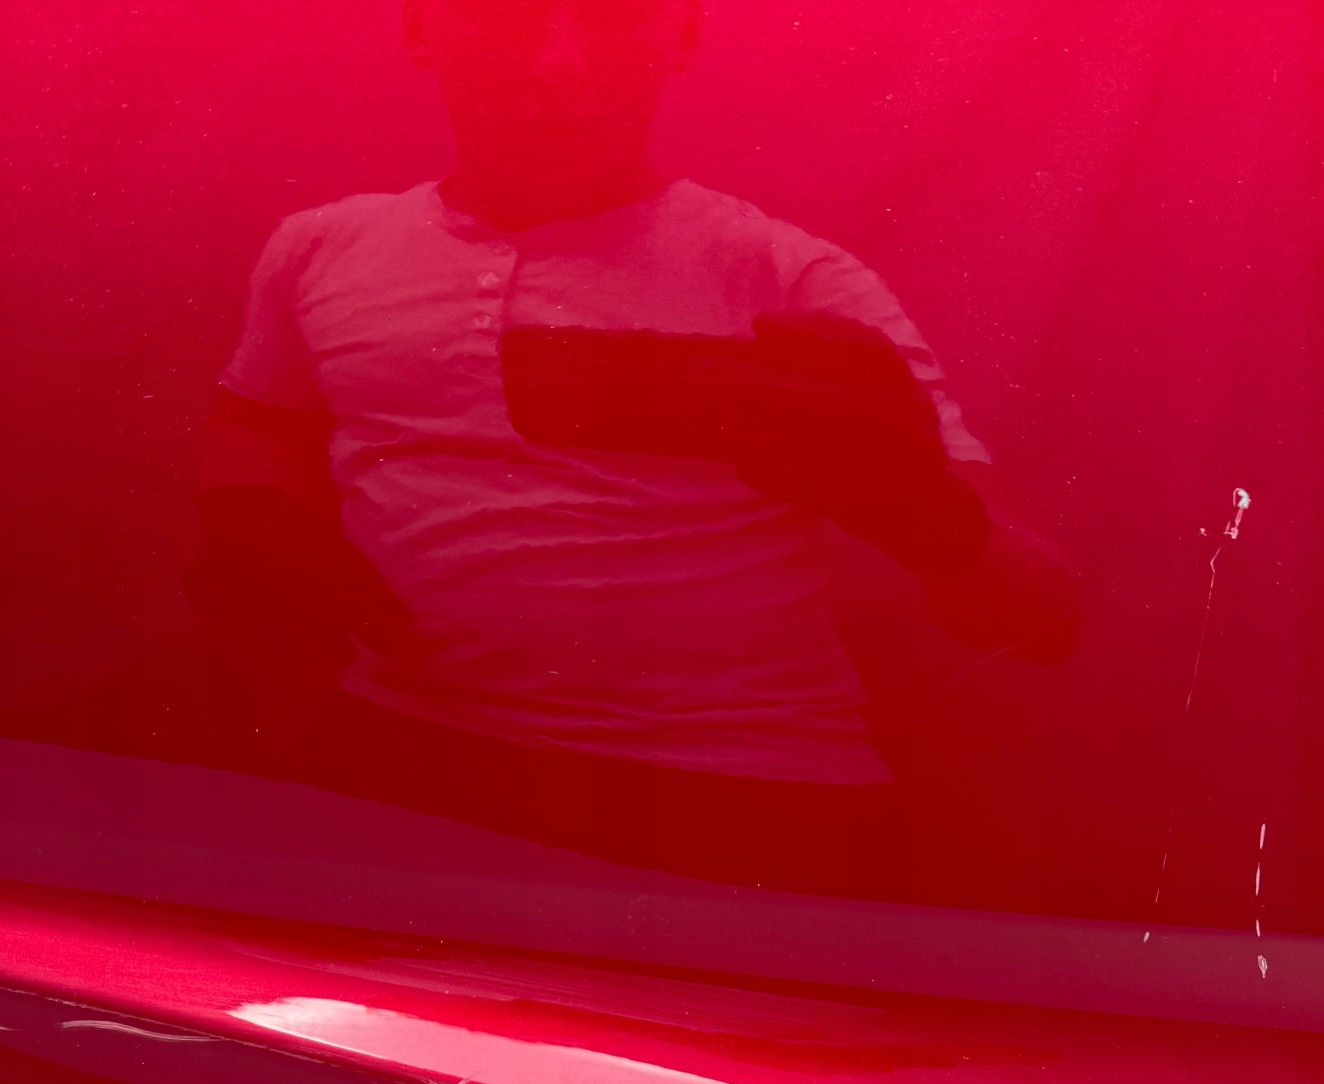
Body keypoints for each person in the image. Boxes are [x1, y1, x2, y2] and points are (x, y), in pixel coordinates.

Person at [188, 0, 1080, 892]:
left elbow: (1044, 621)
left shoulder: (790, 281)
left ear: (679, 34)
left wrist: (930, 518)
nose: (560, 68)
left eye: (613, 20)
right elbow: (259, 418)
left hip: (740, 794)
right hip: (399, 747)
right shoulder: (320, 246)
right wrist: (249, 509)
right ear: (423, 26)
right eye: (507, 22)